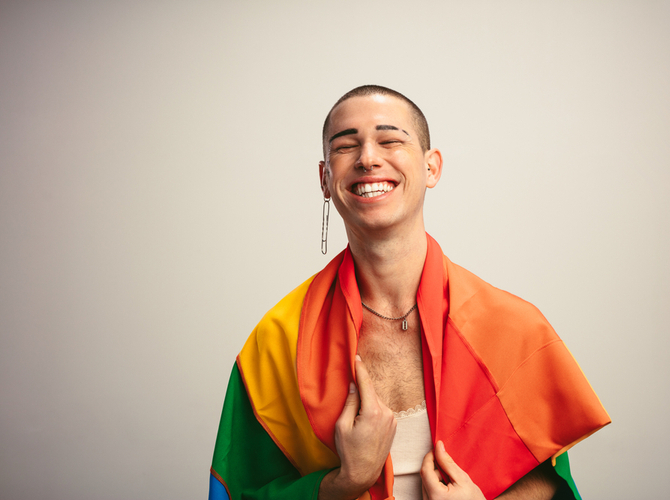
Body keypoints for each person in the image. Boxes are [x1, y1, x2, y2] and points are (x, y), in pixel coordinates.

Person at [208, 85, 610, 500]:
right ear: (326, 180)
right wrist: (343, 483)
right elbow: (239, 491)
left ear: (432, 167)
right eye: (346, 146)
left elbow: (546, 477)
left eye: (390, 140)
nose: (367, 158)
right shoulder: (277, 341)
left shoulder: (512, 327)